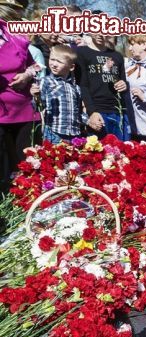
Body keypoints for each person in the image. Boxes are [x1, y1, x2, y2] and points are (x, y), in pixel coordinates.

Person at [0, 0, 42, 193]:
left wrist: (26, 75)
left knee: (25, 167)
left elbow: (36, 66)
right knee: (4, 169)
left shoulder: (17, 37)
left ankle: (22, 208)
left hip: (25, 113)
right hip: (2, 115)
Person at [75, 33, 130, 140]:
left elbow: (123, 81)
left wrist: (124, 85)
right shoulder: (82, 53)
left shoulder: (117, 56)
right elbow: (82, 85)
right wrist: (91, 112)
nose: (100, 35)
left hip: (117, 112)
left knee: (121, 152)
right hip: (97, 112)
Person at [32, 44, 84, 144]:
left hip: (74, 134)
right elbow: (37, 107)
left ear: (71, 67)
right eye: (52, 59)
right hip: (54, 133)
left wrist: (88, 121)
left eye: (59, 61)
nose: (54, 64)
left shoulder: (75, 87)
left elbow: (79, 112)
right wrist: (36, 96)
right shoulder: (45, 81)